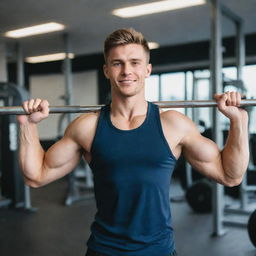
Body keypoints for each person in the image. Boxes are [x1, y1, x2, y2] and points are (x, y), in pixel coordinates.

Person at [17, 28, 249, 256]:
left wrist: (239, 121)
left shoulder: (173, 125)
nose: (127, 70)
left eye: (135, 62)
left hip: (158, 251)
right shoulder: (87, 127)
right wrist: (28, 125)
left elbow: (230, 175)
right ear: (106, 70)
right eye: (117, 63)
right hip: (104, 250)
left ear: (147, 69)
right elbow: (36, 175)